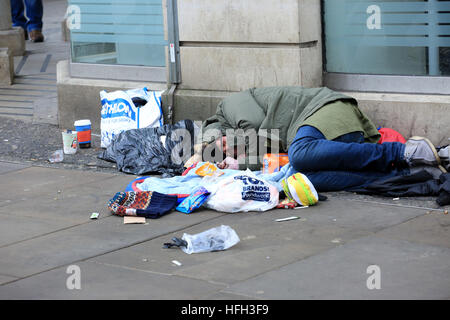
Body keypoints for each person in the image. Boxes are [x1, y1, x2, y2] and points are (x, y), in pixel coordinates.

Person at [200, 86, 447, 192]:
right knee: (298, 180)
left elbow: (254, 125)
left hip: (325, 110)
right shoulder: (249, 145)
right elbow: (272, 156)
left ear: (219, 129)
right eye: (228, 151)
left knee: (300, 153)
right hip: (317, 139)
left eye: (223, 142)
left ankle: (403, 153)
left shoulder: (229, 106)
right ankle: (406, 173)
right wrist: (242, 161)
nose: (230, 146)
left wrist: (243, 162)